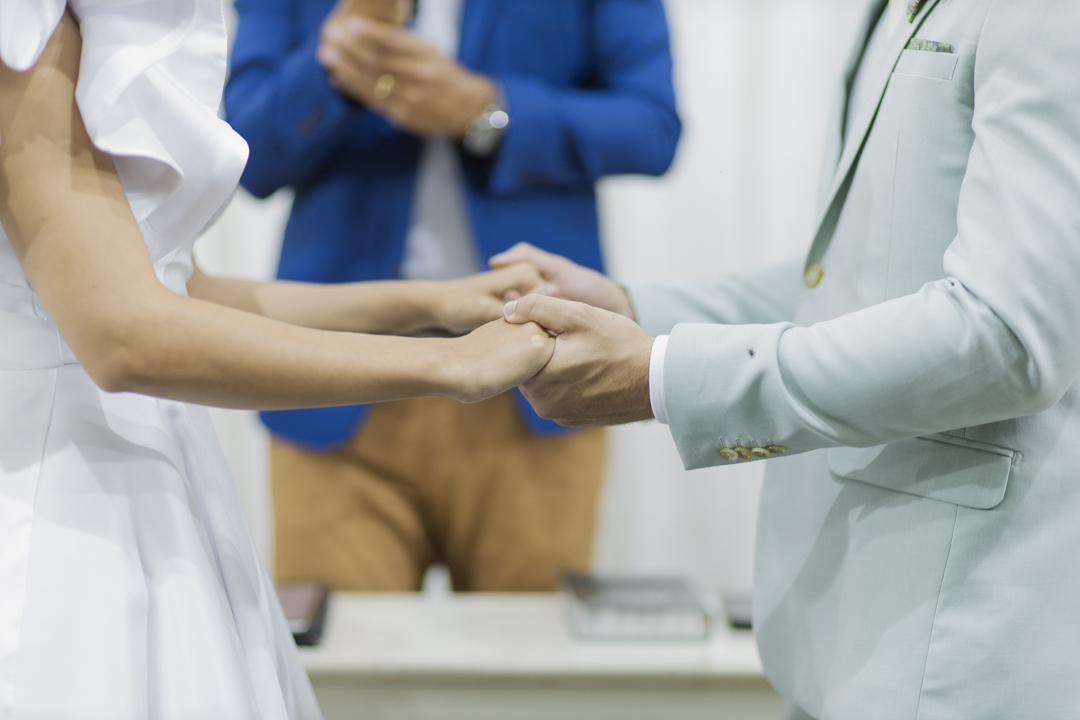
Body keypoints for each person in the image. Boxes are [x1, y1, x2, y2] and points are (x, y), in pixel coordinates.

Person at [497, 0, 1080, 717]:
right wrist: (628, 307)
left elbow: (1008, 336)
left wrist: (665, 378)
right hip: (851, 630)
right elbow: (855, 279)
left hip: (966, 642)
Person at [0, 2, 554, 716]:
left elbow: (182, 289)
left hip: (151, 467)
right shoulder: (29, 38)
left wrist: (432, 304)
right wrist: (448, 367)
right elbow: (124, 335)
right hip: (70, 504)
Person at [224, 0, 680, 592]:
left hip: (534, 380)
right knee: (345, 671)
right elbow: (246, 154)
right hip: (335, 382)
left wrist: (485, 110)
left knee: (527, 669)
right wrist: (337, 55)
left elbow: (652, 127)